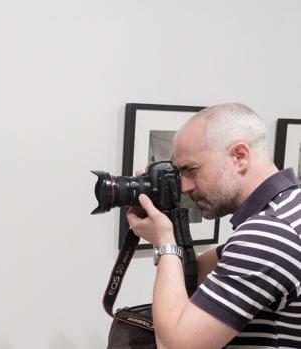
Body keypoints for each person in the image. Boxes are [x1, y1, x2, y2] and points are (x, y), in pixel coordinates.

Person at [126, 103, 301, 348]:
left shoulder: (269, 234)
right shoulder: (288, 209)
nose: (185, 187)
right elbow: (194, 274)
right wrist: (167, 215)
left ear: (239, 156)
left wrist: (164, 243)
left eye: (191, 170)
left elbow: (175, 345)